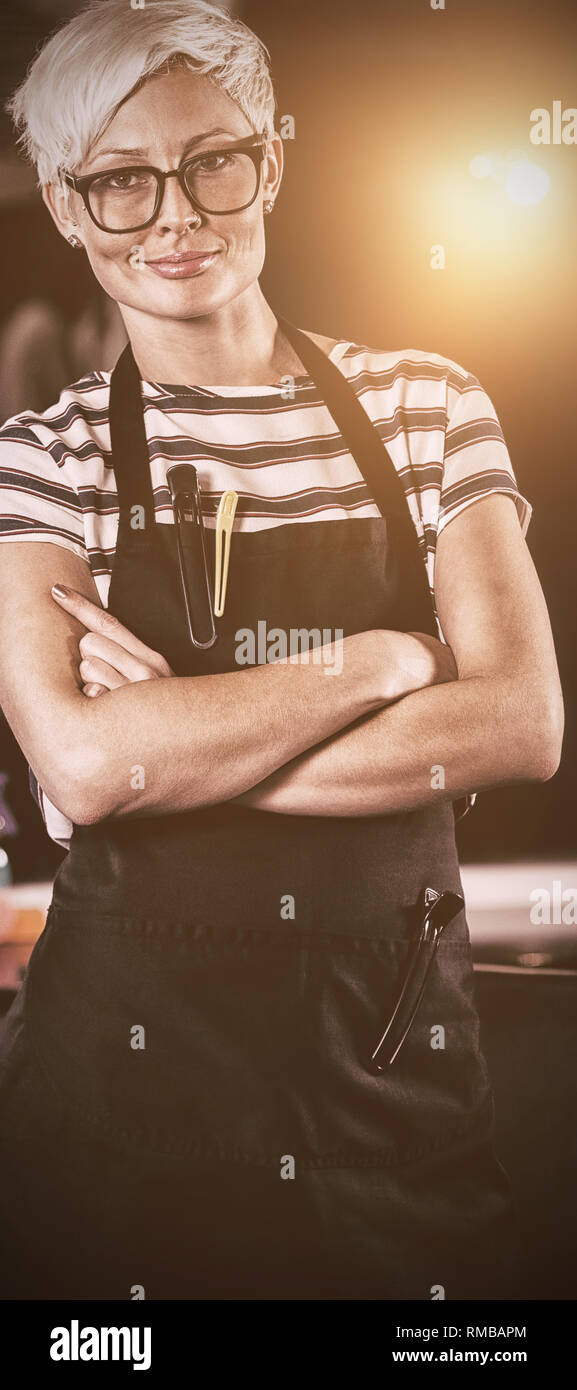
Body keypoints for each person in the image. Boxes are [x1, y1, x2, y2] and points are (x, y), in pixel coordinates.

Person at [0, 0, 564, 1301]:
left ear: (272, 158)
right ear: (68, 204)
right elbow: (85, 770)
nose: (176, 217)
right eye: (121, 185)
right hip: (113, 1120)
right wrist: (374, 663)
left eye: (214, 161)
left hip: (393, 1092)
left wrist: (182, 735)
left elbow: (521, 723)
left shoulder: (429, 404)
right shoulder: (42, 458)